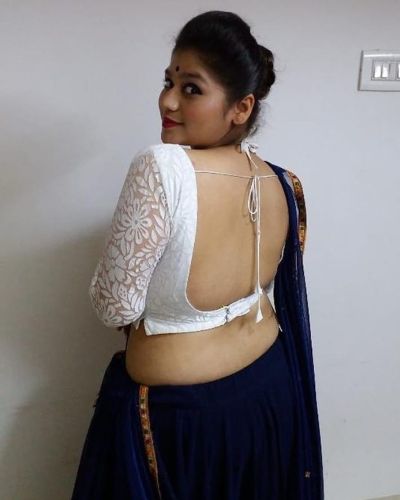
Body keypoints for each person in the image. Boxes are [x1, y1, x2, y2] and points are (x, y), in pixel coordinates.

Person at [71, 10, 324, 500]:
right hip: (269, 396)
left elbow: (114, 308)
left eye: (191, 88)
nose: (167, 100)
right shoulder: (282, 181)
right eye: (168, 81)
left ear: (241, 107)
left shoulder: (161, 167)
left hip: (183, 422)